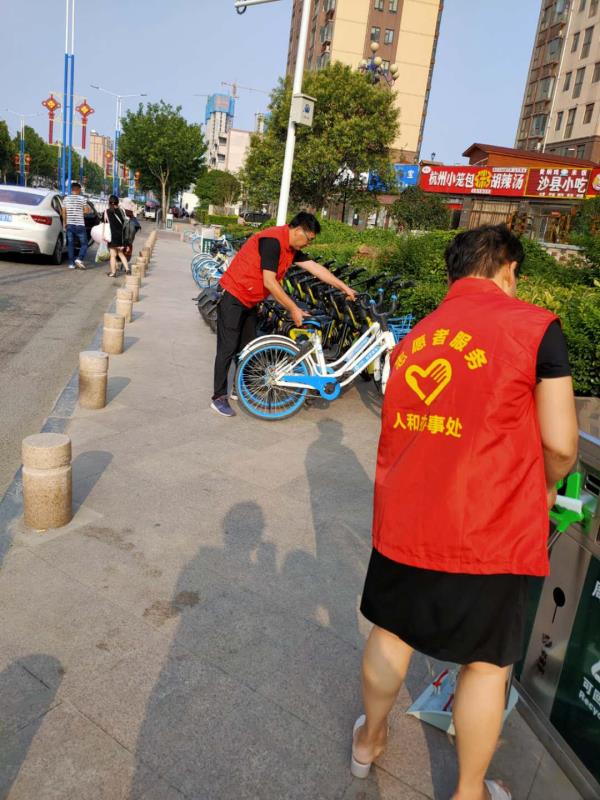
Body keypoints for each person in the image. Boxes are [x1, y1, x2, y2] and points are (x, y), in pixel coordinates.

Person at [352, 225, 578, 800]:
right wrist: (548, 487)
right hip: (489, 528)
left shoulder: (416, 337)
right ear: (507, 268)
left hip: (407, 520)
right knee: (486, 664)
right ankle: (469, 791)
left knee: (391, 633)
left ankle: (368, 743)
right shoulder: (536, 329)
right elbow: (560, 445)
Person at [211, 212, 357, 418]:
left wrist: (344, 287)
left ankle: (238, 387)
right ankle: (218, 397)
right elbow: (270, 282)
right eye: (309, 239)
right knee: (227, 347)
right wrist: (293, 308)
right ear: (298, 231)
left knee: (246, 347)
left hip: (250, 301)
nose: (308, 244)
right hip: (233, 297)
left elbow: (315, 268)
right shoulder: (272, 242)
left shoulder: (291, 248)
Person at [61, 181, 89, 270]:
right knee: (84, 244)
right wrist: (80, 212)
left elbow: (63, 213)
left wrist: (65, 223)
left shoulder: (66, 199)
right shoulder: (82, 199)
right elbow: (86, 211)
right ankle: (79, 259)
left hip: (69, 225)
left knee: (70, 244)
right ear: (79, 190)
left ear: (72, 190)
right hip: (80, 225)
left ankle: (71, 264)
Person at [104, 195, 130, 278]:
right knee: (120, 253)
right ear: (117, 202)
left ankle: (113, 273)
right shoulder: (121, 211)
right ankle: (127, 269)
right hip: (120, 237)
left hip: (112, 237)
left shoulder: (107, 211)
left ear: (109, 202)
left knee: (113, 256)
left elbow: (103, 222)